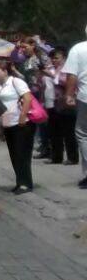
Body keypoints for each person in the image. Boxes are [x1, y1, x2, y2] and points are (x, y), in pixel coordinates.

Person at [0, 59, 35, 194]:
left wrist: (22, 117)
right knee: (14, 154)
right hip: (8, 124)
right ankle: (19, 181)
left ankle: (26, 183)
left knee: (22, 154)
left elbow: (28, 98)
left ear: (5, 71)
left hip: (21, 123)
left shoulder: (15, 82)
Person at [62, 30, 87, 188]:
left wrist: (69, 95)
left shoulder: (78, 49)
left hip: (85, 97)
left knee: (83, 133)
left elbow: (72, 76)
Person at [48, 48, 79, 165]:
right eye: (53, 58)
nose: (54, 60)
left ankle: (72, 157)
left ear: (64, 58)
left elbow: (69, 83)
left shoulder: (67, 70)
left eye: (57, 58)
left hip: (67, 103)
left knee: (69, 132)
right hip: (54, 103)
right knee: (55, 131)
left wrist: (52, 77)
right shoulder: (52, 69)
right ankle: (56, 156)